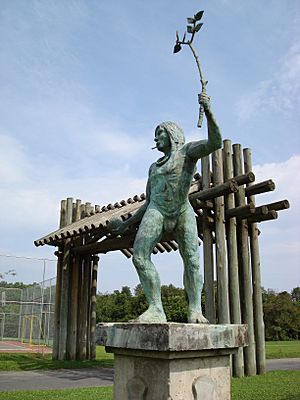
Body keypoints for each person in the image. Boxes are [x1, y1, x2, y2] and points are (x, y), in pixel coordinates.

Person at [108, 93, 222, 323]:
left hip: (182, 211)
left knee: (192, 259)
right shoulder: (153, 168)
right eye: (155, 135)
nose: (156, 139)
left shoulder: (187, 152)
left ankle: (195, 310)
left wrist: (208, 111)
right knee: (139, 256)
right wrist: (126, 224)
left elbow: (215, 143)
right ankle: (156, 308)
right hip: (157, 210)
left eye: (159, 134)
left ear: (172, 134)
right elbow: (149, 201)